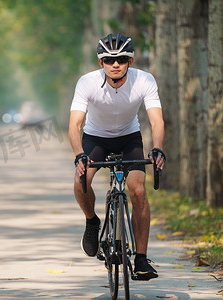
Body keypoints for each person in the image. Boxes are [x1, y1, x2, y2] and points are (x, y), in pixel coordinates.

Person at [68, 33, 166, 281]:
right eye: (109, 59)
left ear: (130, 62)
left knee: (138, 190)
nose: (115, 64)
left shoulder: (144, 80)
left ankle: (141, 259)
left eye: (121, 59)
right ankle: (92, 221)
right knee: (81, 183)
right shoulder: (87, 82)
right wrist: (80, 154)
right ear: (100, 62)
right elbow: (75, 123)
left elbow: (156, 119)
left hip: (129, 137)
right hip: (95, 138)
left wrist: (157, 147)